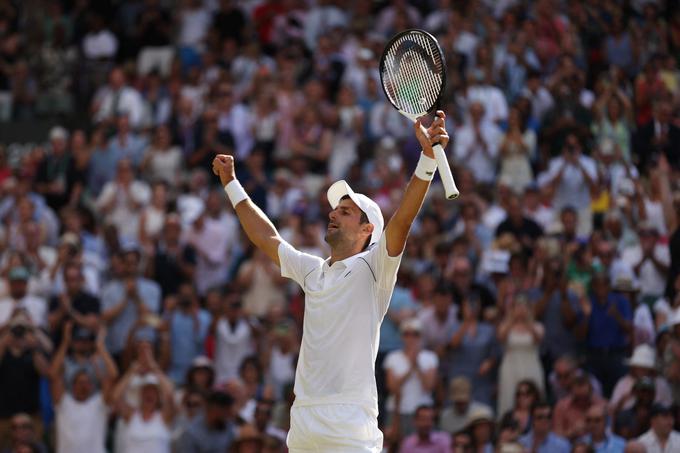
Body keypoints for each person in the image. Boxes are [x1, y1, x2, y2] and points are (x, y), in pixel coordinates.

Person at [211, 111, 449, 451]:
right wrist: (232, 183)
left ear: (368, 230)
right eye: (335, 208)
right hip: (305, 423)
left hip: (351, 425)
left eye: (346, 211)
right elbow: (267, 237)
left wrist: (427, 160)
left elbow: (403, 222)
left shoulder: (375, 266)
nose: (333, 213)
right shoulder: (311, 269)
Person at [50, 322, 117, 453]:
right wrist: (65, 342)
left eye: (86, 382)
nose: (83, 386)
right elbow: (53, 374)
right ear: (73, 385)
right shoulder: (63, 402)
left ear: (92, 385)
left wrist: (100, 346)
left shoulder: (99, 403)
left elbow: (113, 375)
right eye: (80, 382)